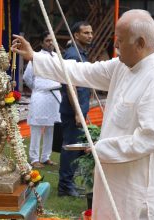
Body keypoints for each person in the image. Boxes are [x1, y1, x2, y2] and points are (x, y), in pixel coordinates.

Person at [12, 9, 154, 219]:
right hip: (116, 184)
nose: (115, 45)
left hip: (140, 196)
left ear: (140, 43)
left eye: (120, 40)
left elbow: (153, 137)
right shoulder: (124, 66)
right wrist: (35, 57)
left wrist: (102, 148)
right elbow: (84, 71)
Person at [57, 21, 93, 197]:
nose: (90, 35)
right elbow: (70, 86)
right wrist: (78, 112)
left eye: (91, 32)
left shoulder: (80, 53)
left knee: (75, 147)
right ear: (76, 35)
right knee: (70, 147)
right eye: (86, 33)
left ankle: (69, 182)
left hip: (78, 109)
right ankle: (65, 186)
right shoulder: (73, 55)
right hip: (73, 111)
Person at [23, 31, 61, 168]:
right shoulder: (36, 56)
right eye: (47, 41)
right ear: (41, 43)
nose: (50, 43)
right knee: (37, 127)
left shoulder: (57, 57)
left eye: (52, 41)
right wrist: (38, 88)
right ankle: (34, 158)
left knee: (51, 127)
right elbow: (27, 78)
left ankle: (46, 157)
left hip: (55, 95)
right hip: (40, 95)